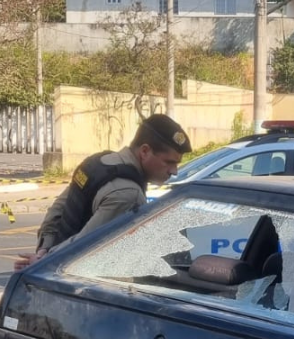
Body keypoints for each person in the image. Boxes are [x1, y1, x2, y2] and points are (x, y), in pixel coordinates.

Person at [15, 113, 190, 270]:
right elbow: (86, 246)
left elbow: (57, 211)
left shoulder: (98, 162)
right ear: (145, 151)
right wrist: (44, 262)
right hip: (77, 279)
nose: (174, 171)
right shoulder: (128, 194)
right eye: (169, 162)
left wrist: (44, 249)